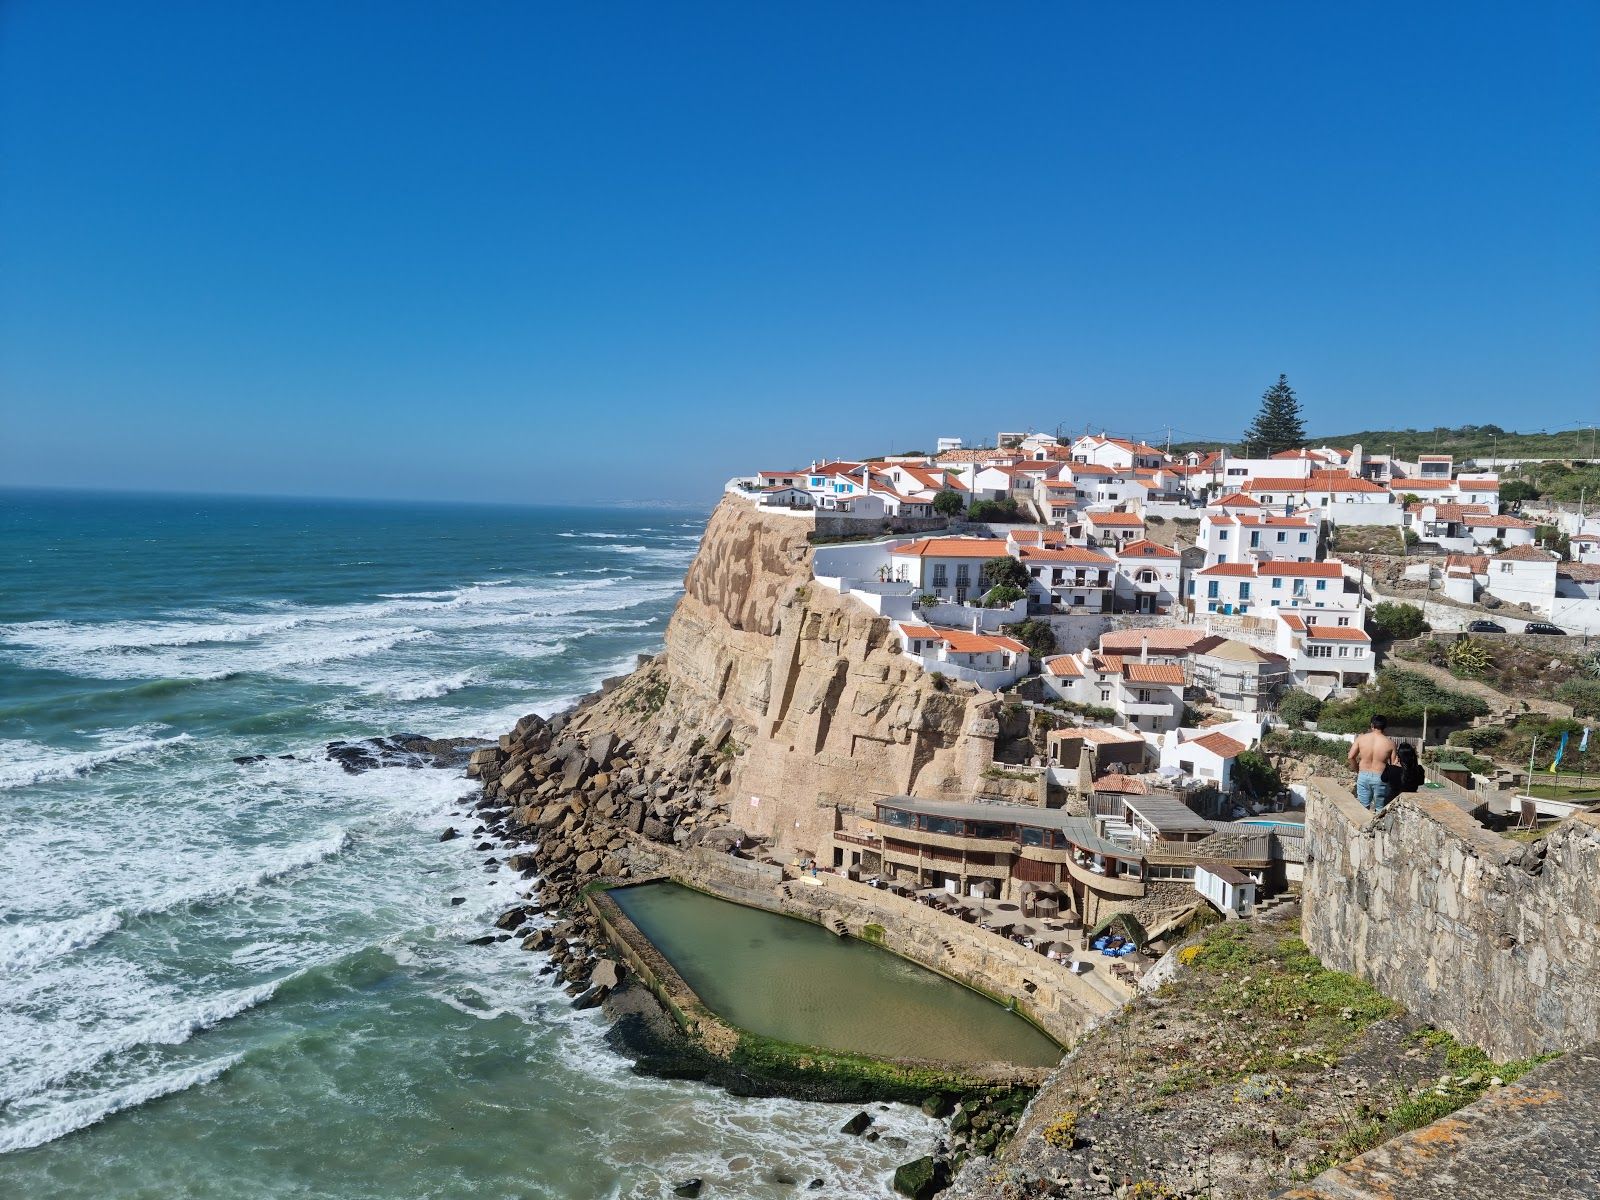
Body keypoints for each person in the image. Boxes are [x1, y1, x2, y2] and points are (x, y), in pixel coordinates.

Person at [1347, 715, 1398, 811]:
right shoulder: (1390, 743)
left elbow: (1350, 757)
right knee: (1380, 809)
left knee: (1362, 808)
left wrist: (1358, 770)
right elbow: (1394, 764)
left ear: (1372, 725)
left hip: (1363, 775)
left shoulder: (1361, 739)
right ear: (1385, 727)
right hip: (1381, 777)